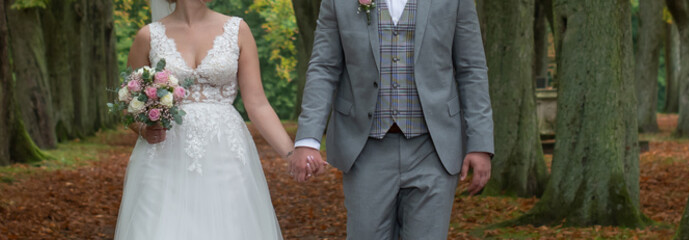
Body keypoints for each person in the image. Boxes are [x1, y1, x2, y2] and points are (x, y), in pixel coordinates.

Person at [288, 0, 496, 238]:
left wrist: (479, 143)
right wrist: (307, 140)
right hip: (365, 148)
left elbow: (472, 69)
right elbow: (323, 67)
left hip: (434, 148)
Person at [113, 0, 296, 239]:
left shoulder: (238, 30)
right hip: (164, 155)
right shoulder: (147, 36)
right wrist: (144, 129)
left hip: (225, 152)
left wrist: (291, 154)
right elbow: (128, 108)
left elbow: (258, 104)